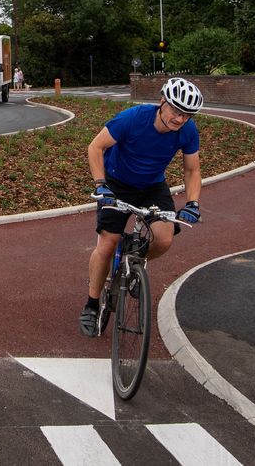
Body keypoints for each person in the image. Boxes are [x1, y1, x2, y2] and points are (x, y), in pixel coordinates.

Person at [79, 76, 205, 337]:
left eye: (187, 115)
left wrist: (192, 203)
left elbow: (192, 170)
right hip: (116, 183)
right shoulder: (133, 118)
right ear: (162, 102)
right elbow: (96, 146)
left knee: (165, 238)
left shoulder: (187, 131)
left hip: (152, 187)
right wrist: (101, 184)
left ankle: (135, 262)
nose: (180, 119)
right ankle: (92, 305)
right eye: (176, 110)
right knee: (108, 242)